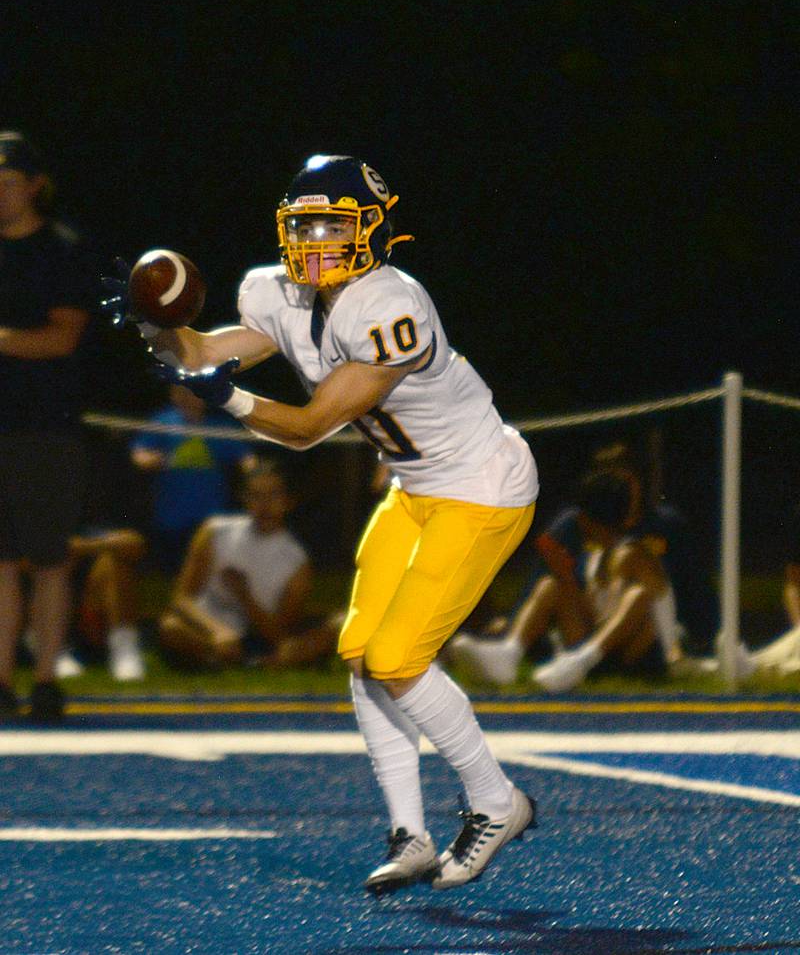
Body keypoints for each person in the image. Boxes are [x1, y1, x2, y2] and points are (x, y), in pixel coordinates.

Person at [102, 155, 539, 892]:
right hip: (415, 487)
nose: (313, 239)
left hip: (482, 486)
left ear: (371, 230)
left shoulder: (393, 303)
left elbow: (307, 427)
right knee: (363, 652)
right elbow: (204, 352)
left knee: (399, 659)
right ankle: (411, 835)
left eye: (331, 224)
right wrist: (159, 325)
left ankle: (499, 800)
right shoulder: (275, 291)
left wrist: (230, 401)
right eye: (302, 223)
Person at [0, 131, 98, 721]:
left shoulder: (62, 250)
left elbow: (64, 336)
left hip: (46, 425)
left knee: (49, 556)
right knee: (0, 561)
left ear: (35, 186)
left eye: (8, 182)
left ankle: (46, 679)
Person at [448, 469, 684, 691]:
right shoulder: (596, 553)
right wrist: (566, 581)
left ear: (586, 518)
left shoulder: (631, 555)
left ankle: (578, 661)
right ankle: (509, 653)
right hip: (602, 651)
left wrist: (673, 656)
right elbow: (600, 614)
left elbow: (619, 613)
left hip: (638, 655)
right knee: (551, 585)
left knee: (637, 595)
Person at [159, 457, 338, 669]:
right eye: (256, 496)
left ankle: (252, 661)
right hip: (207, 629)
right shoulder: (215, 532)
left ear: (288, 500)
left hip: (258, 637)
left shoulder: (296, 560)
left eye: (273, 495)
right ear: (245, 499)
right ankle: (225, 659)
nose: (265, 505)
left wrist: (244, 596)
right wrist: (216, 631)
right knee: (171, 627)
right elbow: (181, 599)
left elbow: (279, 634)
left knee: (336, 626)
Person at [130, 383, 256, 571]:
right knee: (175, 572)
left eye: (195, 393)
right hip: (172, 516)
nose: (189, 398)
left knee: (209, 574)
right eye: (182, 392)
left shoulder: (219, 426)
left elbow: (247, 459)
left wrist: (255, 476)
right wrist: (163, 459)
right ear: (173, 394)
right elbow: (139, 456)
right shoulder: (163, 422)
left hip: (212, 518)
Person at [48, 528, 147, 682]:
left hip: (98, 607)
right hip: (58, 597)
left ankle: (124, 649)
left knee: (112, 561)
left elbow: (133, 543)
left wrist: (81, 547)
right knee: (47, 563)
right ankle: (53, 650)